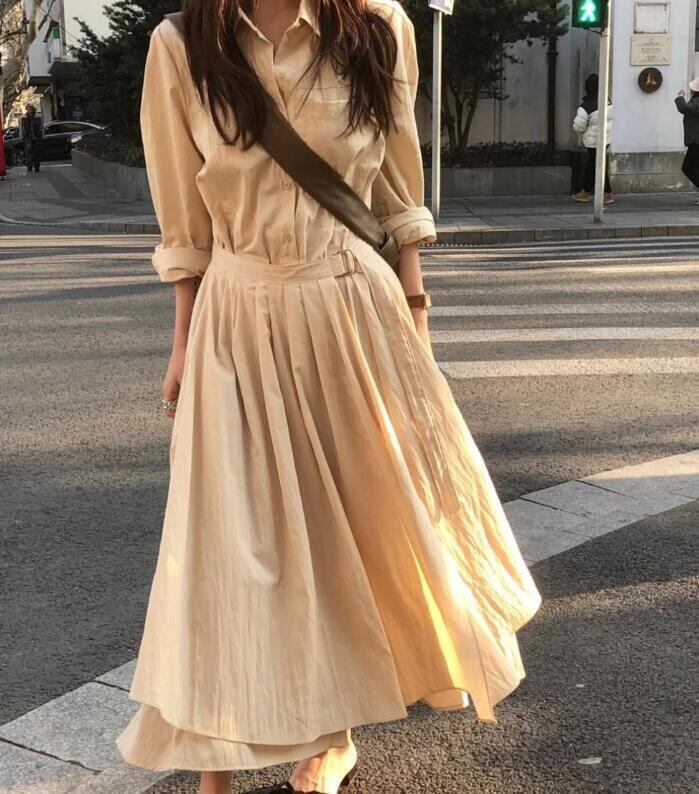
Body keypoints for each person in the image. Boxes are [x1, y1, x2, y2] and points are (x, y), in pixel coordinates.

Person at [115, 2, 541, 793]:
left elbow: (396, 190)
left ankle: (332, 734)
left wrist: (416, 317)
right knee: (229, 538)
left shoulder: (375, 26)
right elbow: (184, 218)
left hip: (352, 307)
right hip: (238, 316)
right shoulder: (182, 44)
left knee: (354, 527)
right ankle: (216, 760)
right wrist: (181, 342)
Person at [572, 73, 614, 203]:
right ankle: (591, 192)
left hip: (593, 141)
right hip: (606, 138)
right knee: (596, 164)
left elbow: (578, 127)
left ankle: (603, 193)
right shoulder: (608, 101)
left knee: (595, 165)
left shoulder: (586, 107)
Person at [675, 77, 699, 204]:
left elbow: (684, 108)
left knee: (688, 167)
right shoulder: (696, 100)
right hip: (695, 141)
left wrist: (680, 97)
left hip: (697, 142)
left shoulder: (698, 101)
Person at [20, 103, 43, 173]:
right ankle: (29, 167)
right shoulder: (23, 117)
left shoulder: (38, 116)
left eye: (30, 109)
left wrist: (42, 135)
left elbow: (41, 126)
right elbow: (21, 127)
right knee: (28, 152)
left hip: (37, 136)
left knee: (37, 152)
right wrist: (21, 135)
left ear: (33, 109)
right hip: (28, 137)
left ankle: (37, 167)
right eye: (28, 109)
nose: (29, 110)